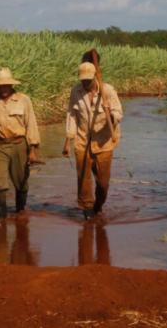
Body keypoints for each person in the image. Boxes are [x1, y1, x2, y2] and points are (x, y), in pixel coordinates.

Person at [62, 51, 123, 220]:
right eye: (83, 80)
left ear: (95, 77)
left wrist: (111, 115)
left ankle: (98, 205)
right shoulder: (76, 91)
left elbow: (119, 112)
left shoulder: (108, 91)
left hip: (104, 142)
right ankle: (87, 209)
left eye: (88, 80)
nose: (86, 83)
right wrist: (68, 140)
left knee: (103, 184)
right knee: (83, 178)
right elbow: (72, 115)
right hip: (82, 140)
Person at [0, 67, 40, 218]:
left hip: (19, 145)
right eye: (0, 85)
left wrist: (33, 150)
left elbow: (31, 124)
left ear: (11, 85)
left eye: (6, 85)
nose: (3, 88)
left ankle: (20, 211)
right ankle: (2, 218)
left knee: (21, 183)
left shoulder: (23, 100)